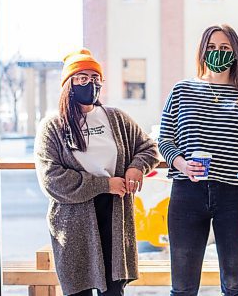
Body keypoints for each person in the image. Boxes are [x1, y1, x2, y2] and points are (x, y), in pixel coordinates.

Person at [34, 48, 160, 296]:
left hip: (114, 216)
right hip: (74, 223)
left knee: (113, 291)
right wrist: (105, 185)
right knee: (79, 288)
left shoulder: (115, 118)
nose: (90, 83)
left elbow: (148, 148)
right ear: (68, 84)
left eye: (94, 78)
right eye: (82, 78)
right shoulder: (53, 126)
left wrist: (136, 167)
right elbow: (52, 180)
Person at [159, 24, 238, 296]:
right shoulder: (182, 90)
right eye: (211, 47)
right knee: (183, 287)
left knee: (234, 285)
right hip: (187, 194)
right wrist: (181, 164)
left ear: (235, 54)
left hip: (235, 198)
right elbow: (165, 140)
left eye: (224, 48)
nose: (217, 53)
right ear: (201, 51)